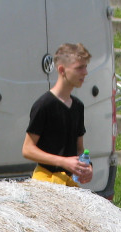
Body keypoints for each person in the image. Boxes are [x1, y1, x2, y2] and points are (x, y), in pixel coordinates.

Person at [22, 43, 93, 186]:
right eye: (79, 67)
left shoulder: (78, 106)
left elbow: (79, 149)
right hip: (45, 182)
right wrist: (63, 161)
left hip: (68, 183)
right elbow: (27, 149)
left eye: (85, 67)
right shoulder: (44, 104)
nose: (85, 72)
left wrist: (87, 166)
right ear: (62, 70)